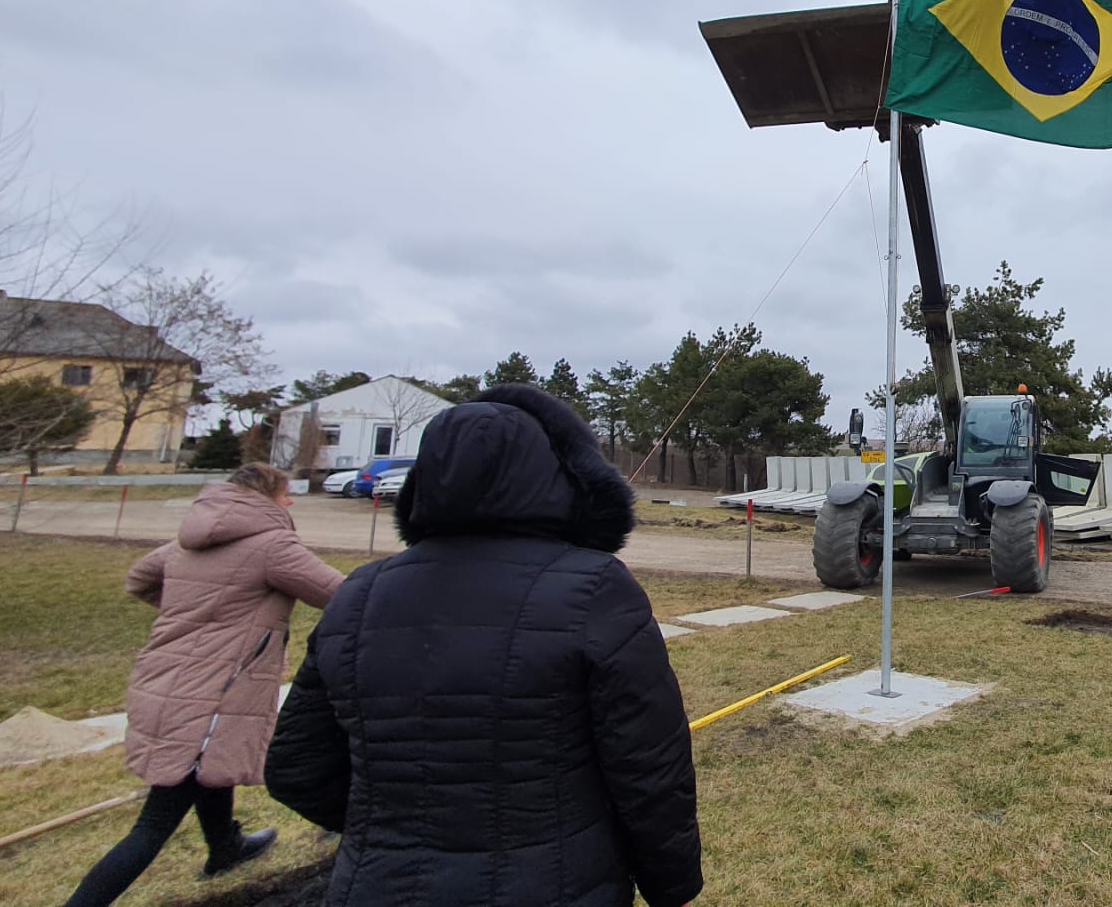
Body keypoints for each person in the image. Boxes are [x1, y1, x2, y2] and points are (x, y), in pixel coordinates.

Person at [265, 384, 703, 907]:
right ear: (552, 475)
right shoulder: (594, 588)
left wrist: (399, 830)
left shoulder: (359, 592)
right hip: (556, 882)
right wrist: (670, 884)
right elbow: (649, 769)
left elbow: (297, 768)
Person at [65, 462, 346, 907]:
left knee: (209, 766)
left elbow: (138, 579)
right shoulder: (272, 546)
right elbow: (342, 595)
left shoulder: (188, 540)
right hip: (211, 690)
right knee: (157, 819)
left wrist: (192, 614)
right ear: (266, 498)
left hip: (165, 677)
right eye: (286, 493)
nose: (291, 502)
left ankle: (225, 848)